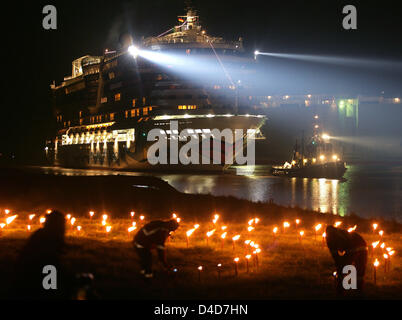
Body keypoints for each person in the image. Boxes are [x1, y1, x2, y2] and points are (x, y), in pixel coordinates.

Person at [13, 210, 71, 300]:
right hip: (33, 274)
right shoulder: (49, 236)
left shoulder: (42, 233)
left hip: (31, 272)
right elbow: (48, 260)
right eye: (62, 223)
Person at [325, 225, 368, 296]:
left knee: (354, 268)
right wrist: (338, 264)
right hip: (354, 246)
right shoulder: (330, 240)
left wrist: (341, 266)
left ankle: (355, 290)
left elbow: (349, 253)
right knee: (345, 268)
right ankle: (347, 289)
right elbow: (335, 255)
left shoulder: (342, 237)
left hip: (358, 245)